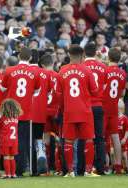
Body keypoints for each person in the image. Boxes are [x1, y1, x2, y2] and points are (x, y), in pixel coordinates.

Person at [56, 45, 99, 177]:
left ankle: (70, 171)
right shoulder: (87, 70)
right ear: (82, 56)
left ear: (69, 55)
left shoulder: (62, 71)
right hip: (85, 111)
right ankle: (88, 171)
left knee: (68, 141)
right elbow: (95, 90)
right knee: (89, 140)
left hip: (69, 111)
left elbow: (58, 93)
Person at [1, 47, 40, 177]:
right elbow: (37, 91)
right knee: (26, 141)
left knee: (12, 140)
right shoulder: (34, 73)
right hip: (26, 112)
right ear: (30, 58)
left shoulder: (9, 70)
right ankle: (29, 169)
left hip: (11, 112)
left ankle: (16, 170)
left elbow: (2, 88)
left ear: (18, 57)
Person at [78, 42, 107, 175]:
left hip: (84, 107)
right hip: (98, 106)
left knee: (82, 137)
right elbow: (104, 87)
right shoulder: (103, 67)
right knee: (99, 138)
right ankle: (100, 168)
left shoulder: (81, 67)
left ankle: (81, 168)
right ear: (96, 52)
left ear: (84, 53)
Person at [102, 48, 127, 174]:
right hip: (114, 108)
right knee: (115, 137)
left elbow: (101, 89)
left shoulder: (104, 71)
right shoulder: (122, 73)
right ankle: (118, 166)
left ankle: (104, 165)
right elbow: (122, 92)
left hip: (103, 107)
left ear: (108, 57)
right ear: (119, 58)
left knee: (101, 137)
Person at [29, 50, 52, 175]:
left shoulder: (25, 73)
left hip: (27, 113)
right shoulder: (45, 73)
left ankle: (31, 168)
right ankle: (41, 156)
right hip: (40, 113)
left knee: (27, 141)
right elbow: (48, 93)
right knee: (38, 139)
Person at [40, 54, 60, 174]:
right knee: (60, 139)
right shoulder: (58, 76)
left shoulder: (41, 76)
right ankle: (59, 168)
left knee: (45, 139)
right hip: (56, 111)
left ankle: (45, 169)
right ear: (53, 63)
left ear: (42, 65)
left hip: (44, 111)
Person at [0, 99, 22, 179]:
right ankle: (13, 174)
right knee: (12, 157)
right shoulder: (16, 118)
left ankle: (7, 174)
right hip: (14, 141)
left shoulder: (3, 118)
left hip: (6, 140)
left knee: (6, 157)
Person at [117, 99, 128, 173]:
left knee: (124, 155)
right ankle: (115, 167)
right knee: (113, 153)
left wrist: (125, 138)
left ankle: (126, 167)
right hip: (115, 141)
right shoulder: (113, 118)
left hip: (123, 141)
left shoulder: (125, 118)